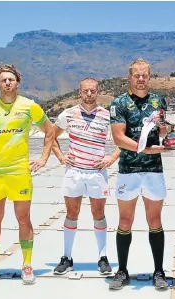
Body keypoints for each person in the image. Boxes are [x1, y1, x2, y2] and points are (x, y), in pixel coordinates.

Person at [0, 63, 55, 285]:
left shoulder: (29, 106)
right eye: (3, 80)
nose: (7, 82)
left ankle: (27, 265)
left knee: (23, 218)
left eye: (11, 79)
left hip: (20, 172)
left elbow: (50, 131)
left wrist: (44, 158)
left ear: (17, 82)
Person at [109, 58, 169, 291]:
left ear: (150, 77)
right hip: (129, 170)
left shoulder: (158, 100)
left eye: (145, 75)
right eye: (137, 75)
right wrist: (144, 148)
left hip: (153, 170)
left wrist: (165, 128)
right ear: (129, 77)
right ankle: (122, 271)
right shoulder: (119, 103)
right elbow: (118, 137)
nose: (141, 78)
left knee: (155, 221)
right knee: (125, 221)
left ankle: (159, 272)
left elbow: (162, 130)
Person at [51, 77, 121, 276]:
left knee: (98, 215)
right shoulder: (69, 114)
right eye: (85, 91)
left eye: (92, 91)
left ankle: (103, 257)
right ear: (79, 92)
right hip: (74, 172)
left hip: (97, 173)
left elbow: (122, 140)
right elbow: (51, 136)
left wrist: (111, 158)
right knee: (71, 214)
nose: (89, 94)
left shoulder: (107, 116)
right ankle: (67, 257)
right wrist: (61, 157)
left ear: (98, 92)